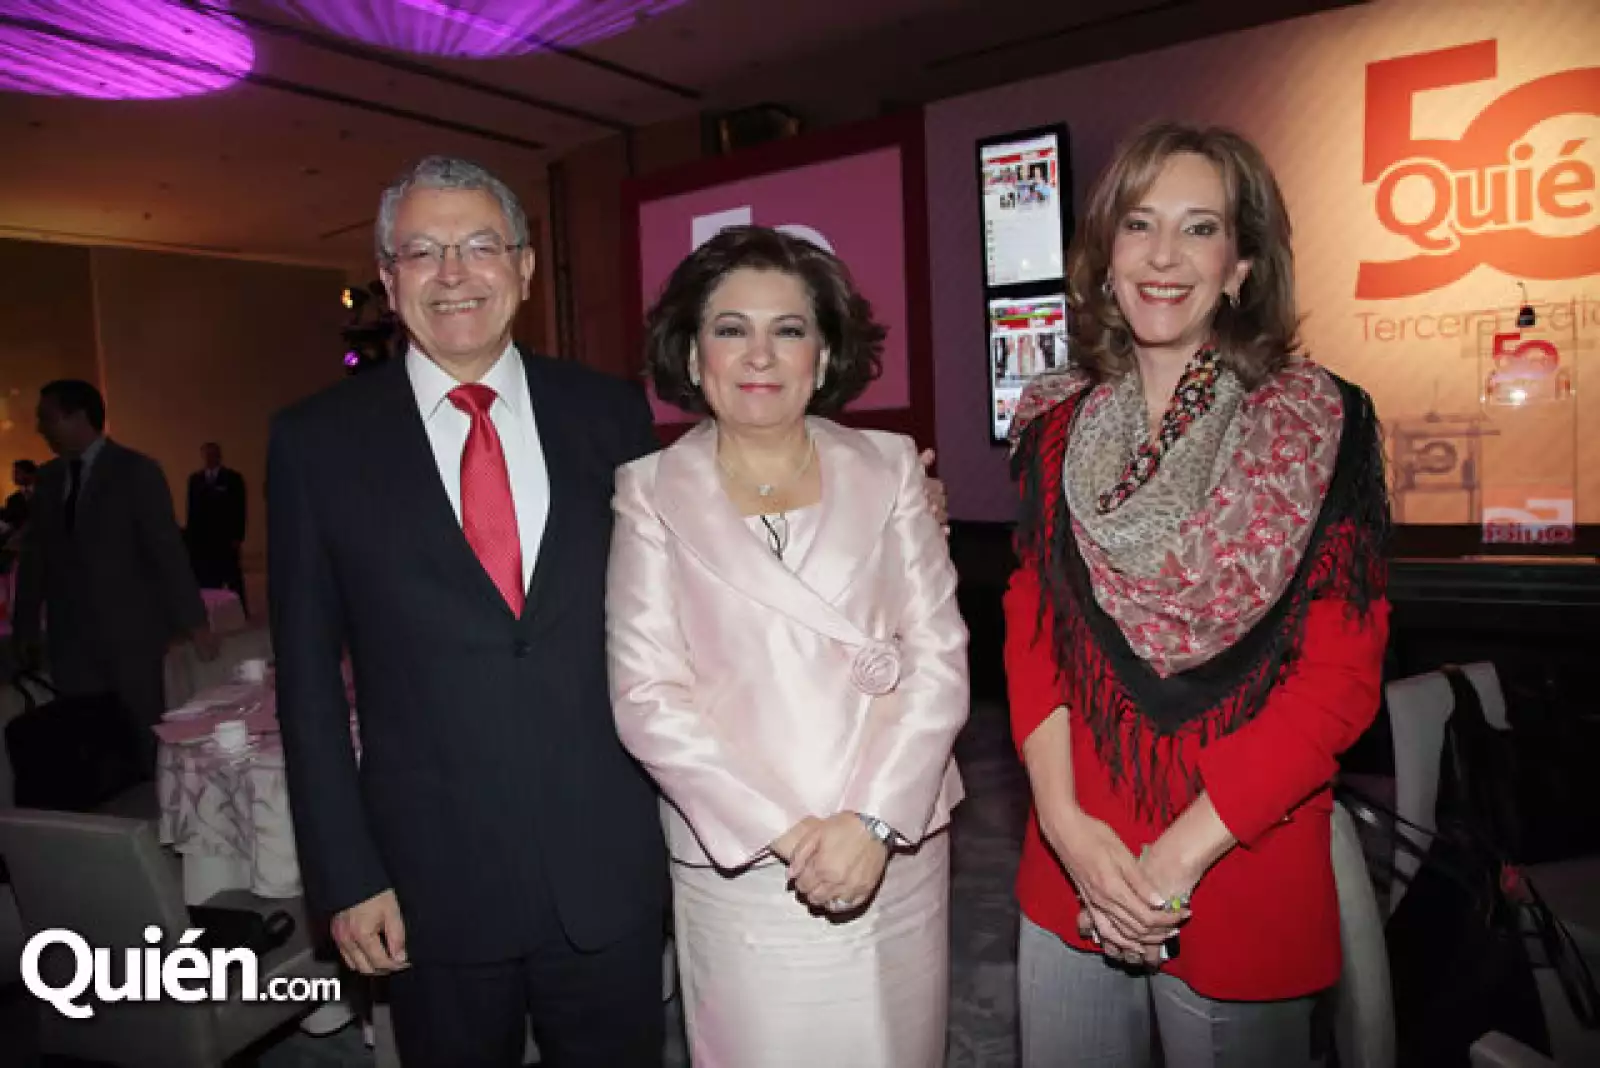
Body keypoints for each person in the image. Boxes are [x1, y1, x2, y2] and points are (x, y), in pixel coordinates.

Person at [267, 157, 953, 1066]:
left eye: (480, 246)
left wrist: (893, 505)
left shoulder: (605, 417)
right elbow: (308, 687)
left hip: (607, 868)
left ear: (523, 266)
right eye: (423, 252)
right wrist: (346, 878)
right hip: (432, 874)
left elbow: (718, 533)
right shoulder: (316, 442)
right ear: (389, 281)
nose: (455, 273)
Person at [1003, 122, 1390, 1067]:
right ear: (1106, 256)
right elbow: (1032, 629)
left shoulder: (1319, 423)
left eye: (1199, 228)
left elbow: (1338, 684)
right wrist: (1065, 825)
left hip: (1239, 863)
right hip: (1075, 858)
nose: (1164, 256)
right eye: (1138, 225)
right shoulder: (1054, 424)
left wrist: (1174, 860)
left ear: (1243, 265)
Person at [606, 225, 969, 1067]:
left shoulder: (890, 467)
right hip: (746, 859)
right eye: (730, 329)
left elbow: (940, 657)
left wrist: (869, 823)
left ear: (824, 351)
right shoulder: (649, 491)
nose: (759, 355)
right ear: (694, 358)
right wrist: (793, 835)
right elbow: (648, 697)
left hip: (893, 835)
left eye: (789, 329)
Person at [12, 381, 218, 768]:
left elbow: (166, 551)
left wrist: (194, 621)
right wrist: (25, 626)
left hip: (130, 637)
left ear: (79, 417)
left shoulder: (135, 471)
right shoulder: (49, 480)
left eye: (47, 418)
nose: (40, 427)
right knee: (90, 745)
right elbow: (35, 559)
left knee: (144, 736)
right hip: (70, 641)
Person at [185, 441, 249, 613]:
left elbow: (240, 508)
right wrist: (191, 540)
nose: (210, 458)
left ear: (219, 456)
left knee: (232, 575)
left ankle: (241, 610)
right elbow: (191, 511)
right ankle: (208, 611)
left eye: (213, 454)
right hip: (204, 539)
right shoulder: (195, 480)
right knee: (206, 577)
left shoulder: (233, 479)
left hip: (226, 537)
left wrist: (238, 535)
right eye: (206, 454)